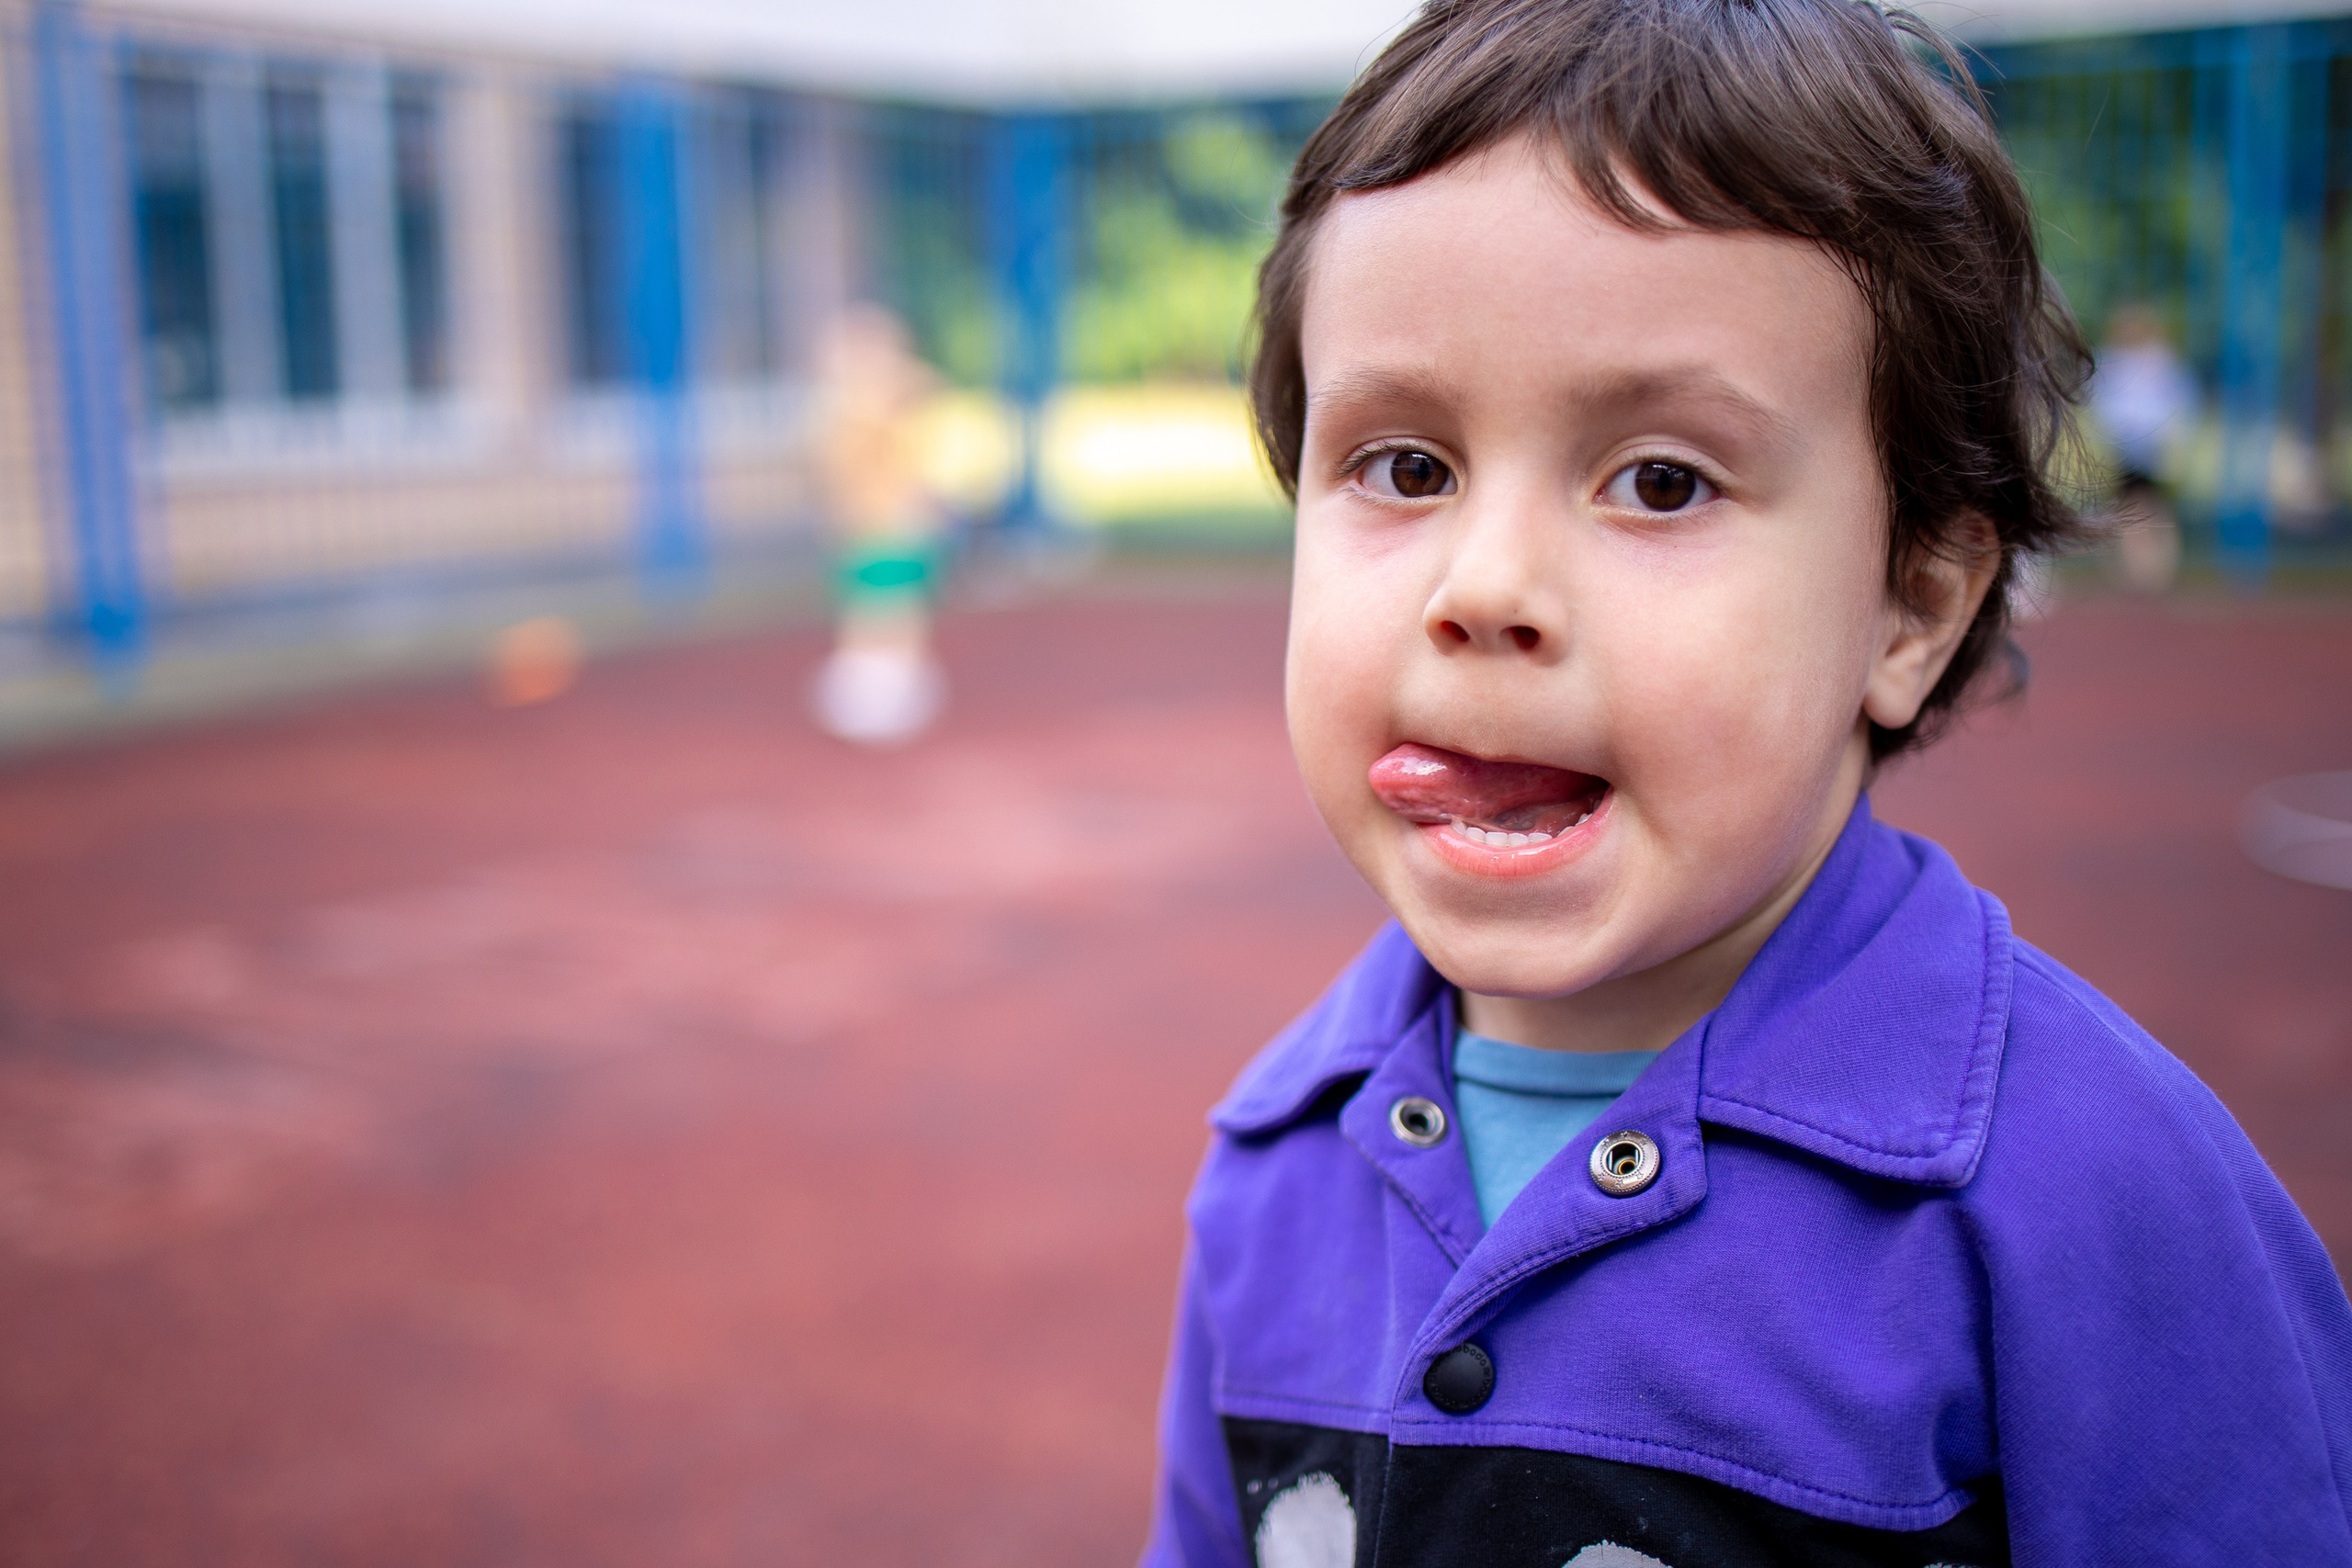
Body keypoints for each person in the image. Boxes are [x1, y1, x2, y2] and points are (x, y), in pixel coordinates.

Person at [1141, 2, 2352, 1564]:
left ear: (1912, 607)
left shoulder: (2103, 1195)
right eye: (1406, 466)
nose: (1484, 585)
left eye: (1661, 480)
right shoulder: (1273, 1158)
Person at [809, 305, 948, 745]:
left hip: (896, 527)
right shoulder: (848, 418)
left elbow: (923, 392)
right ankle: (873, 692)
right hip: (871, 530)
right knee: (872, 614)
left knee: (899, 612)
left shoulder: (894, 405)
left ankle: (892, 688)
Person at [2089, 302, 2197, 592]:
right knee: (2133, 505)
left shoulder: (2159, 361)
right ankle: (2140, 569)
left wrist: (2173, 436)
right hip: (2126, 444)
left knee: (2149, 506)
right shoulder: (2114, 360)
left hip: (2152, 445)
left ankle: (2153, 569)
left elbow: (2179, 400)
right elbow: (2101, 401)